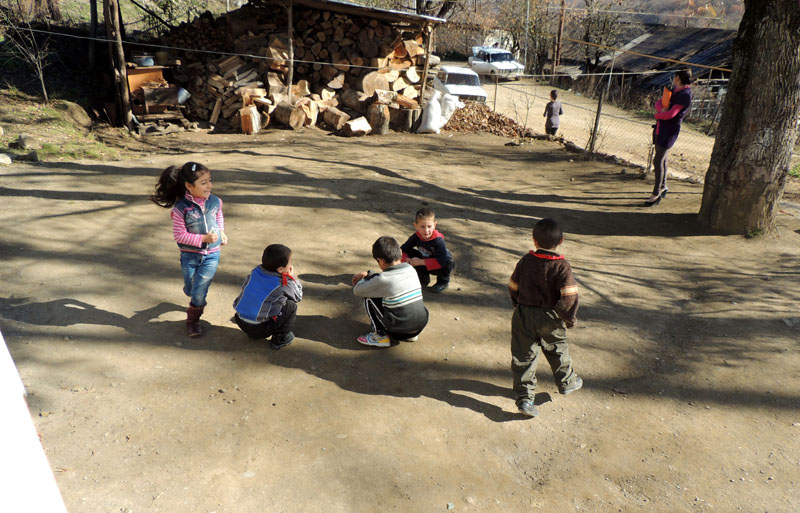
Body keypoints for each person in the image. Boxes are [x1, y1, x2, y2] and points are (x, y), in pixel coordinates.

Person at [508, 218, 582, 418]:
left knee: (523, 356)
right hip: (550, 316)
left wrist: (517, 303)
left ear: (534, 240)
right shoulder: (562, 266)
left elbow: (513, 285)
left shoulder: (525, 261)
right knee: (558, 349)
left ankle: (525, 399)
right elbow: (569, 296)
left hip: (524, 315)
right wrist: (567, 317)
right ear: (561, 241)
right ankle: (567, 382)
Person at [150, 162, 227, 337]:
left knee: (199, 293)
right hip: (190, 257)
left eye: (209, 181)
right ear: (188, 186)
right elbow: (179, 236)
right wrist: (203, 239)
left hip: (212, 255)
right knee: (192, 288)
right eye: (203, 182)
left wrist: (221, 231)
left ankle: (193, 321)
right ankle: (191, 290)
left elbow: (218, 214)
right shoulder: (180, 209)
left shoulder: (215, 201)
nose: (209, 186)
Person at [352, 236, 429, 348]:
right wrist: (370, 273)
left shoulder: (383, 279)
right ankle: (410, 335)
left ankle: (380, 335)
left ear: (381, 261)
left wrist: (366, 278)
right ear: (401, 253)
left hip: (399, 330)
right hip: (420, 325)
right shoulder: (410, 269)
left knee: (368, 296)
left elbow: (357, 291)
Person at [232, 244, 302, 350]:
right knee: (290, 306)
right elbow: (298, 296)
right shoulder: (282, 284)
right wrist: (292, 278)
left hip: (240, 320)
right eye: (290, 263)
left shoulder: (255, 272)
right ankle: (280, 338)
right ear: (280, 269)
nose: (291, 265)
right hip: (261, 329)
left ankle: (253, 330)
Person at [646, 69, 693, 206]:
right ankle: (663, 186)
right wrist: (661, 111)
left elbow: (672, 114)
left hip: (669, 130)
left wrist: (658, 115)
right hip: (661, 128)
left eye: (675, 77)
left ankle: (656, 192)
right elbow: (659, 104)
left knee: (658, 161)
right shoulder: (675, 90)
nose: (673, 79)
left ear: (678, 78)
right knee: (662, 158)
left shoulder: (685, 95)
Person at [400, 208, 455, 293]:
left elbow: (441, 261)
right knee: (411, 252)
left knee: (447, 260)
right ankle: (423, 278)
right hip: (425, 262)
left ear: (435, 225)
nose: (426, 230)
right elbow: (402, 249)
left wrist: (420, 262)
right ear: (416, 226)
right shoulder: (416, 236)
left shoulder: (438, 240)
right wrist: (406, 259)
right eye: (422, 227)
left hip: (440, 265)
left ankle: (443, 282)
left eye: (429, 226)